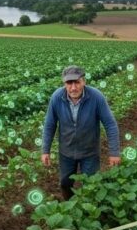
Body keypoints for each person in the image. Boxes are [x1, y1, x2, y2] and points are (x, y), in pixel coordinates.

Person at [40, 65, 121, 200]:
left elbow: (110, 124)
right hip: (66, 152)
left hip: (90, 152)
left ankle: (88, 213)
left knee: (91, 185)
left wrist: (114, 152)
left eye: (77, 82)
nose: (73, 87)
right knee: (65, 183)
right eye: (69, 83)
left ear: (84, 81)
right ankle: (70, 206)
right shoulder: (57, 97)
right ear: (64, 83)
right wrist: (45, 150)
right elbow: (49, 125)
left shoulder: (96, 97)